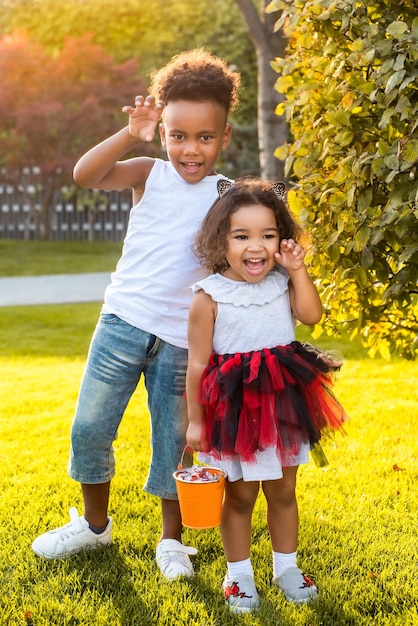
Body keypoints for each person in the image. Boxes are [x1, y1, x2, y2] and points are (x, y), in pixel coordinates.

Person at [31, 48, 240, 580]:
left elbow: (246, 259)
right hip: (122, 324)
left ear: (225, 138)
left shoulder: (228, 196)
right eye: (177, 135)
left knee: (174, 443)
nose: (190, 149)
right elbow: (85, 174)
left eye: (205, 137)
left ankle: (171, 542)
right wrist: (132, 134)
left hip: (182, 343)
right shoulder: (149, 172)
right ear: (163, 132)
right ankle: (95, 527)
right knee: (90, 428)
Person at [186, 179, 347, 612]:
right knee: (239, 495)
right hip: (235, 409)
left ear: (282, 239)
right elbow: (199, 365)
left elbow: (311, 316)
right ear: (222, 240)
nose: (255, 247)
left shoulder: (282, 281)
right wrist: (197, 420)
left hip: (283, 402)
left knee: (283, 489)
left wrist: (297, 270)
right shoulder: (209, 297)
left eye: (268, 235)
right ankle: (238, 575)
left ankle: (286, 567)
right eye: (242, 236)